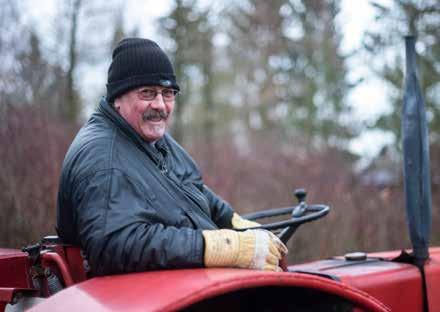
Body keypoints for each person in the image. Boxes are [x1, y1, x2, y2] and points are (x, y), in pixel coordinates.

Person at [56, 38, 288, 276]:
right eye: (147, 93)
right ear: (117, 97)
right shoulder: (104, 159)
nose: (160, 105)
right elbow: (114, 246)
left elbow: (191, 188)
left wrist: (236, 223)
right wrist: (220, 247)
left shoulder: (149, 138)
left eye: (168, 93)